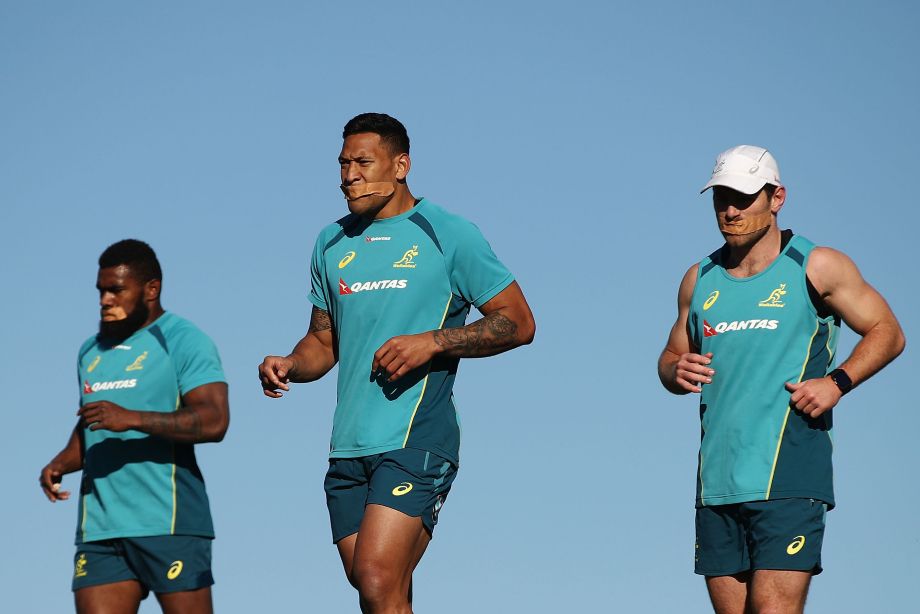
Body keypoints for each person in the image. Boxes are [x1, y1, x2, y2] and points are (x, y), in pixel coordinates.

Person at [259, 113, 535, 613]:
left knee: (376, 574)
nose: (349, 176)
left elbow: (518, 322)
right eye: (343, 164)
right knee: (381, 593)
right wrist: (290, 363)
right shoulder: (331, 243)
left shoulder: (447, 233)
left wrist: (433, 341)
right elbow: (323, 342)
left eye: (363, 162)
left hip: (417, 440)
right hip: (347, 449)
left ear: (401, 164)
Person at [658, 145, 905, 614]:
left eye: (744, 198)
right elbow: (672, 356)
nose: (730, 210)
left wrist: (838, 382)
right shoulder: (700, 278)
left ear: (777, 198)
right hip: (717, 483)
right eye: (720, 199)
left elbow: (888, 332)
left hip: (789, 475)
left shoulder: (816, 265)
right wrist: (674, 369)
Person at [40, 239, 230, 614]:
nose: (104, 300)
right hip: (100, 530)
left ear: (151, 289)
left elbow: (215, 420)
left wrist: (132, 418)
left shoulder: (184, 340)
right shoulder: (90, 352)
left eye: (116, 290)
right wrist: (60, 462)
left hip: (170, 524)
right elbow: (93, 425)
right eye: (100, 291)